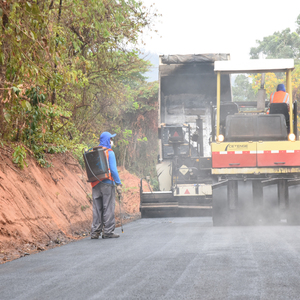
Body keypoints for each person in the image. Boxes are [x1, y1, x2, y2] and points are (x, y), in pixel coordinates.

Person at [90, 131, 122, 239]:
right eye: (111, 139)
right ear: (108, 140)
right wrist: (118, 183)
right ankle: (107, 231)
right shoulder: (109, 152)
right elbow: (113, 170)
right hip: (107, 183)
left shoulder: (92, 152)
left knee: (97, 209)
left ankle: (95, 232)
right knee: (108, 207)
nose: (112, 141)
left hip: (95, 183)